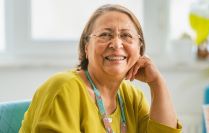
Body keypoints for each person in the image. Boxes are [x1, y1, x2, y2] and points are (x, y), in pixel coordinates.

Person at [19, 4, 182, 133]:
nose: (116, 44)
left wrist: (157, 83)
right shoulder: (64, 88)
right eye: (105, 35)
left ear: (139, 49)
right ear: (86, 47)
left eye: (126, 35)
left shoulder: (131, 97)